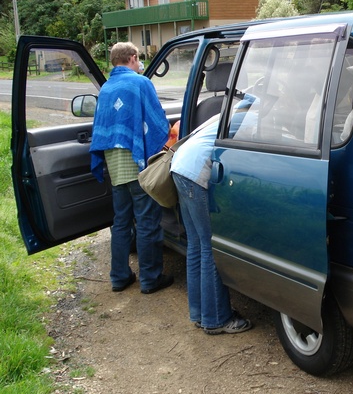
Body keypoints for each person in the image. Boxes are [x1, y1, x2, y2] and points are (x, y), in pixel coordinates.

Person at [90, 41, 174, 294]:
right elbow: (157, 122)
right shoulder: (140, 83)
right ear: (133, 58)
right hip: (139, 165)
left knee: (121, 223)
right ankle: (150, 279)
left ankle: (119, 277)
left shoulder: (106, 88)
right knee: (147, 223)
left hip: (115, 168)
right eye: (138, 59)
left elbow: (101, 129)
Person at [170, 101, 253, 335]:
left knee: (196, 245)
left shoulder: (233, 108)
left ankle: (199, 313)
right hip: (195, 173)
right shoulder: (253, 118)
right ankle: (216, 319)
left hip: (179, 167)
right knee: (210, 247)